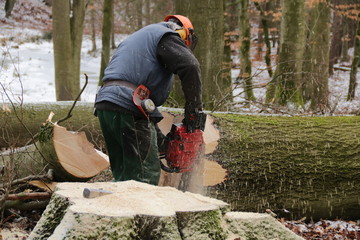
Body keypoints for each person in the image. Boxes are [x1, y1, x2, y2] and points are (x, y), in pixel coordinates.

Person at [94, 15, 203, 185]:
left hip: (106, 106)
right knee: (144, 178)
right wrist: (194, 112)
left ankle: (117, 210)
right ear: (183, 33)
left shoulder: (141, 39)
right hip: (128, 106)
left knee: (123, 176)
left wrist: (161, 142)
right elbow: (190, 66)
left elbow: (140, 101)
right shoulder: (166, 36)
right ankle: (141, 212)